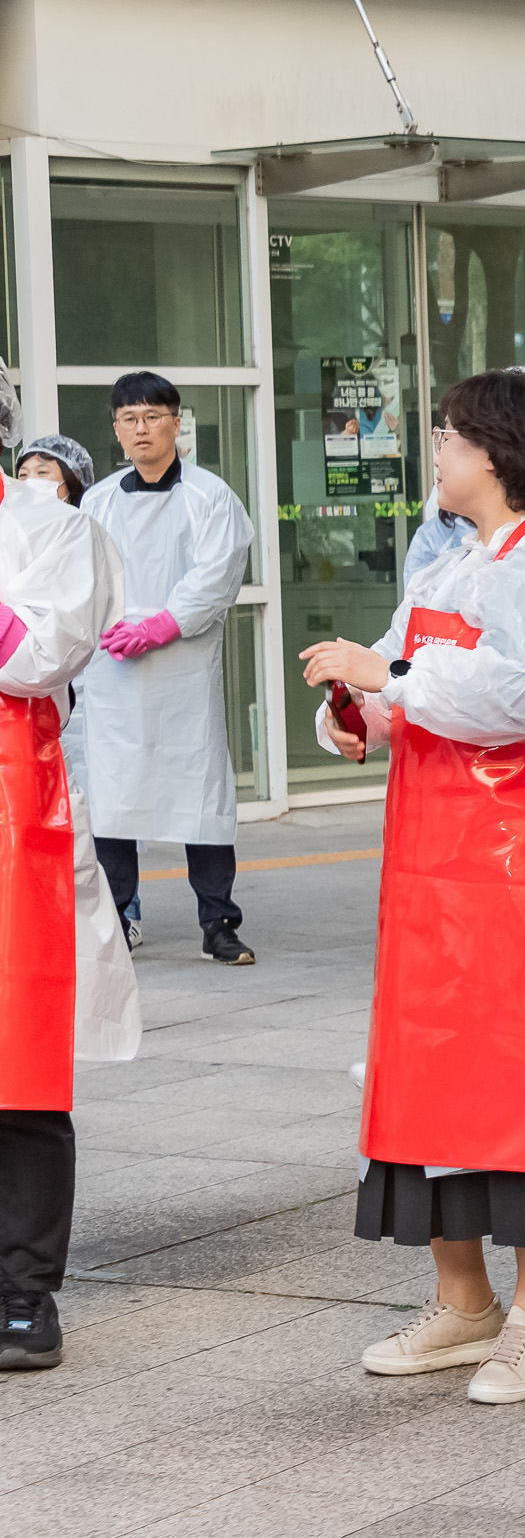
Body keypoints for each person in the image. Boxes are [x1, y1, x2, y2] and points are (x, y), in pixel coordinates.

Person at [300, 369, 525, 1405]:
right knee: (432, 1068)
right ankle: (462, 1299)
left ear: (493, 452)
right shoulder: (450, 562)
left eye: (447, 438)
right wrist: (356, 708)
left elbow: (511, 695)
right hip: (437, 854)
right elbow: (401, 680)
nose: (437, 454)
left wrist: (383, 675)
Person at [0, 392, 138, 1372]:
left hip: (15, 819)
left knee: (21, 1062)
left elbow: (46, 654)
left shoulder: (52, 526)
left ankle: (22, 1290)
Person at [72, 372, 255, 964]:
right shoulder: (97, 500)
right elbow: (82, 574)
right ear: (116, 428)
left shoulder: (210, 496)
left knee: (199, 797)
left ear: (177, 422)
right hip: (112, 671)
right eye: (128, 419)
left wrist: (163, 624)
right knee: (113, 794)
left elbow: (216, 575)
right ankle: (118, 915)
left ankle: (218, 922)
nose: (140, 429)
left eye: (152, 416)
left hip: (182, 671)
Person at [15, 435, 94, 508]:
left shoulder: (84, 521)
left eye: (42, 472)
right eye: (23, 475)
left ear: (73, 478)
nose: (30, 480)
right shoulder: (10, 521)